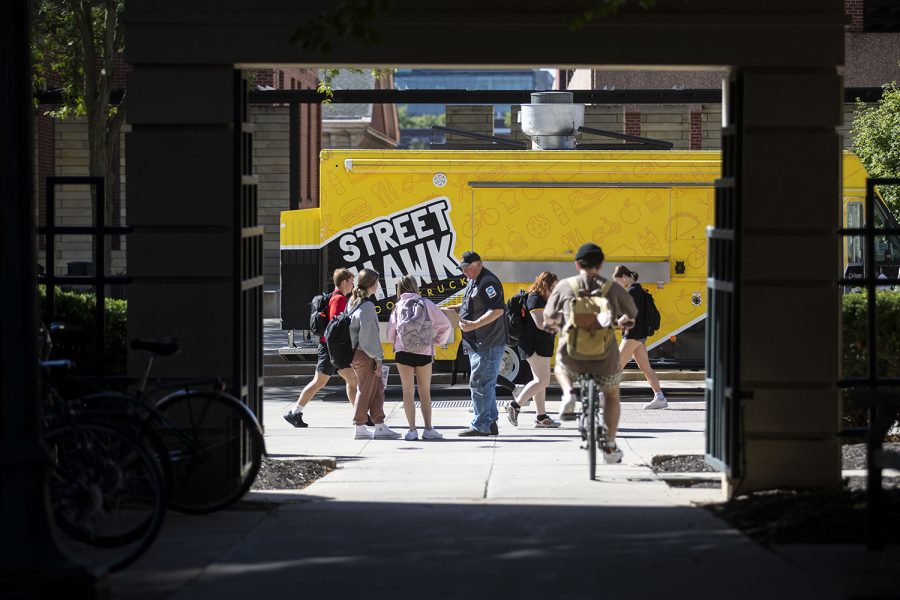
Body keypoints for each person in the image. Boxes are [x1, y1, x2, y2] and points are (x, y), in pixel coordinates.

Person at [543, 242, 637, 464]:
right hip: (604, 356)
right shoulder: (612, 288)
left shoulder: (565, 286)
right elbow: (631, 313)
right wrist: (625, 321)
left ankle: (568, 394)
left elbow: (548, 316)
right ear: (601, 264)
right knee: (612, 394)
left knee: (560, 366)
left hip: (573, 354)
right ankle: (611, 445)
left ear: (577, 264)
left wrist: (555, 325)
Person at [283, 268, 359, 428]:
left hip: (331, 347)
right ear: (344, 282)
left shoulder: (336, 298)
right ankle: (295, 412)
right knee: (320, 381)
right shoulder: (339, 300)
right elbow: (335, 326)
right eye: (352, 281)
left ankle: (360, 415)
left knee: (352, 380)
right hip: (331, 348)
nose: (353, 285)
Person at [387, 275, 453, 441]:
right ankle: (429, 429)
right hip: (423, 352)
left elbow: (390, 335)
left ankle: (411, 430)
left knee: (407, 391)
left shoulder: (397, 307)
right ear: (416, 287)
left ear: (399, 289)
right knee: (424, 391)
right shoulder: (427, 304)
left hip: (403, 353)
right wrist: (436, 342)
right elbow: (445, 325)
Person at [457, 251, 507, 437]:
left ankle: (481, 425)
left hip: (487, 341)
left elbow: (497, 310)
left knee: (480, 382)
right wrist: (455, 310)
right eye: (462, 269)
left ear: (478, 264)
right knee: (485, 383)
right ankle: (490, 421)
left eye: (467, 268)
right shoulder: (475, 281)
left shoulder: (487, 282)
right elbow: (475, 305)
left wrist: (475, 325)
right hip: (478, 342)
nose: (465, 272)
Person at [347, 268, 401, 440]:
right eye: (377, 282)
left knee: (377, 389)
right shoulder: (368, 306)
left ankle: (379, 424)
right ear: (371, 284)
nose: (378, 285)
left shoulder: (353, 301)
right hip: (365, 354)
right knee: (365, 390)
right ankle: (359, 425)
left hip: (357, 353)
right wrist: (378, 359)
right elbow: (369, 336)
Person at [506, 271, 561, 428]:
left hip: (540, 343)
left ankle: (541, 417)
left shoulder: (543, 299)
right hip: (534, 344)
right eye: (554, 287)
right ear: (545, 285)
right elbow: (539, 323)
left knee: (539, 381)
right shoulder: (535, 298)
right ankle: (515, 405)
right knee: (543, 380)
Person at [613, 265, 667, 410]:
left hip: (633, 334)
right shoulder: (639, 290)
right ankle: (660, 397)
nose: (619, 285)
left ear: (624, 278)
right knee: (645, 367)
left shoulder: (632, 291)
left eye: (618, 282)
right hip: (639, 335)